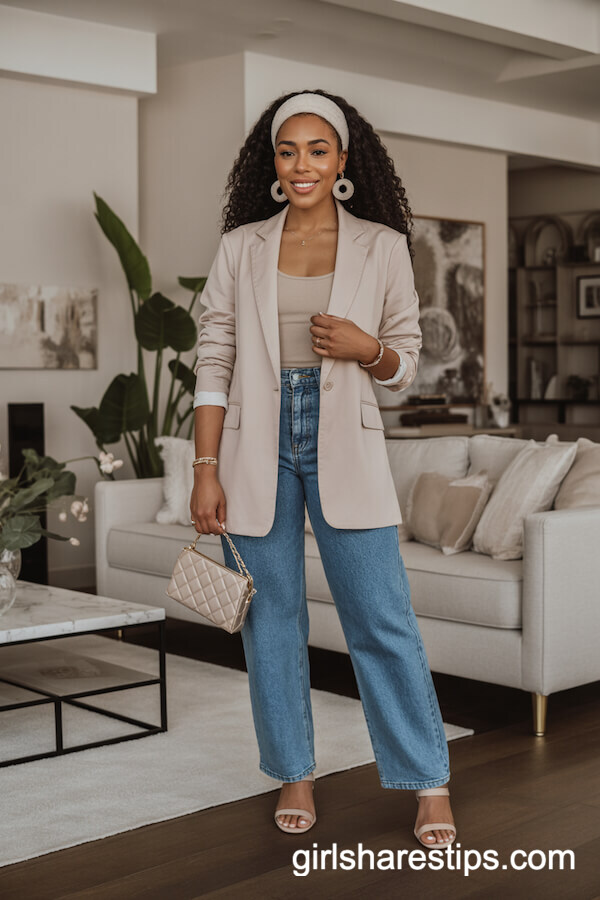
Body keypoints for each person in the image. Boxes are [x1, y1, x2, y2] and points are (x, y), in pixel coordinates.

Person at [190, 89, 456, 848]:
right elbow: (214, 358)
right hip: (253, 442)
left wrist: (367, 349)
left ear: (342, 159)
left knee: (381, 618)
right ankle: (294, 772)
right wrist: (205, 466)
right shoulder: (241, 246)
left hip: (346, 441)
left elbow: (405, 365)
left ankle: (427, 780)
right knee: (270, 620)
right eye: (287, 150)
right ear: (272, 163)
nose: (301, 163)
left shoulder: (383, 245)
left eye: (317, 149)